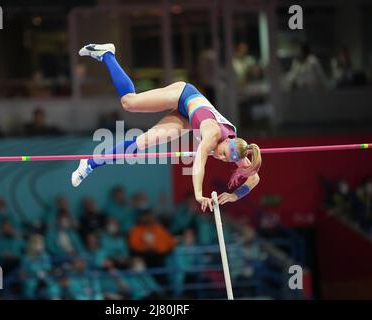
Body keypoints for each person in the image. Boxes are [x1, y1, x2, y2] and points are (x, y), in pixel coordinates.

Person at [71, 43, 261, 212]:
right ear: (227, 141)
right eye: (223, 154)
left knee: (142, 143)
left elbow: (254, 179)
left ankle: (89, 164)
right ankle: (107, 54)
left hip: (188, 120)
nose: (221, 156)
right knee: (130, 103)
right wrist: (198, 194)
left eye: (225, 159)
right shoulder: (212, 135)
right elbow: (199, 164)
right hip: (183, 96)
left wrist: (234, 196)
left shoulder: (237, 149)